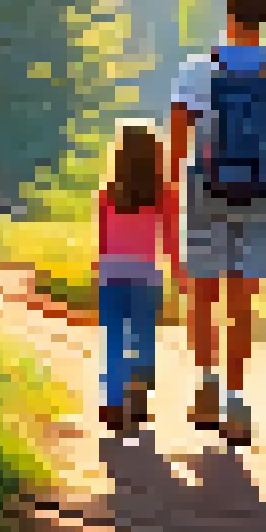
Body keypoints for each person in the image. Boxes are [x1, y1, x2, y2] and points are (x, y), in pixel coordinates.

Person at [168, 0, 266, 448]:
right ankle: (238, 398)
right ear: (262, 21)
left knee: (204, 290)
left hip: (204, 186)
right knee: (241, 299)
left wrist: (173, 183)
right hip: (257, 190)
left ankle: (206, 385)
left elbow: (180, 129)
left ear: (228, 17)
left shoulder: (196, 71)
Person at [95, 120, 180, 435]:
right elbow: (170, 240)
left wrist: (100, 271)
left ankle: (114, 403)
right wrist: (179, 273)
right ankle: (139, 393)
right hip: (145, 277)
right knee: (143, 338)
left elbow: (103, 241)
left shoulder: (108, 195)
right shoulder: (163, 195)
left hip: (111, 275)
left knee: (114, 339)